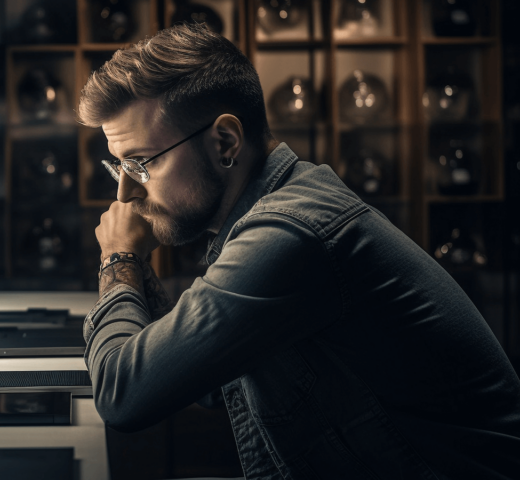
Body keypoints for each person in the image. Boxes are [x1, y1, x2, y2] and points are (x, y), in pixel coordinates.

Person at [78, 23, 520, 479]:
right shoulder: (276, 211)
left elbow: (123, 393)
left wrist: (119, 257)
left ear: (225, 142)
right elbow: (202, 379)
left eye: (141, 163)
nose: (125, 192)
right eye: (119, 166)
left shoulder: (290, 233)